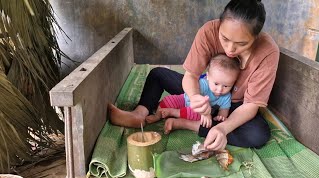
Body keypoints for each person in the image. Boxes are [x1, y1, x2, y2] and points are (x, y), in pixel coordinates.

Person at [108, 0, 279, 151]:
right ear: (219, 25)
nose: (230, 49)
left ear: (256, 37)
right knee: (158, 74)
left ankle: (193, 125)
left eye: (241, 44)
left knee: (258, 135)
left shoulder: (267, 52)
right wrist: (195, 96)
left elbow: (251, 106)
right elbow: (190, 76)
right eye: (224, 38)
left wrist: (224, 128)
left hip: (233, 106)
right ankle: (140, 113)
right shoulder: (208, 32)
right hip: (204, 92)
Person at [145, 54, 240, 131]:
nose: (220, 89)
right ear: (208, 76)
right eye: (216, 84)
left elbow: (223, 111)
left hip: (194, 111)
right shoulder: (203, 84)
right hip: (185, 99)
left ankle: (173, 113)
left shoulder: (226, 97)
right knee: (169, 99)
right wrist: (204, 111)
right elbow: (193, 96)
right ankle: (157, 115)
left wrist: (221, 117)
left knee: (197, 115)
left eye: (226, 86)